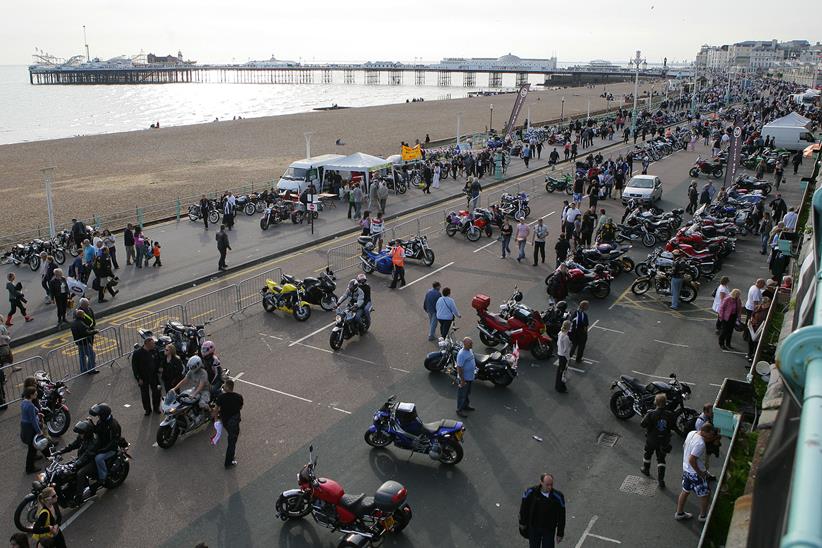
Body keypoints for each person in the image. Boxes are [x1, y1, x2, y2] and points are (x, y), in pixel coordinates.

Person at [675, 423, 718, 522]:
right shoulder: (700, 443)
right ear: (704, 432)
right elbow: (692, 459)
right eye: (710, 435)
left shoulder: (692, 433)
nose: (711, 438)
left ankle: (679, 513)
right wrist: (700, 473)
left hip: (686, 469)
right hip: (695, 473)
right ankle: (703, 517)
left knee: (685, 491)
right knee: (705, 494)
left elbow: (684, 447)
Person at [55, 419, 99, 504]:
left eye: (81, 433)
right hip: (81, 460)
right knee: (63, 468)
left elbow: (86, 456)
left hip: (91, 462)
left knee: (80, 473)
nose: (80, 435)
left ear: (87, 433)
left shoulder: (93, 443)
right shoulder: (82, 438)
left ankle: (79, 496)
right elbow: (72, 445)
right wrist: (60, 451)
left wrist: (75, 464)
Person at [519, 473, 566, 548]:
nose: (550, 487)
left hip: (549, 529)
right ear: (541, 482)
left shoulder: (558, 497)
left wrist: (560, 533)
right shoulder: (531, 492)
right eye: (547, 485)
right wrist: (522, 522)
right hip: (534, 527)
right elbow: (524, 508)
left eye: (551, 484)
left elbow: (562, 516)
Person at [640, 394, 675, 489]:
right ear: (665, 402)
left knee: (648, 454)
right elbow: (672, 426)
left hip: (652, 440)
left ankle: (646, 469)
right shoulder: (670, 414)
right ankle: (661, 480)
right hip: (664, 441)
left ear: (656, 402)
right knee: (661, 459)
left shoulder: (651, 413)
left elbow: (642, 424)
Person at [89, 403, 122, 486]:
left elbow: (113, 442)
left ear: (104, 415)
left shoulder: (113, 425)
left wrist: (101, 450)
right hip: (103, 445)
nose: (98, 417)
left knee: (98, 458)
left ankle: (103, 477)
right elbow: (98, 431)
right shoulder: (101, 421)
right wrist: (91, 424)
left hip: (111, 449)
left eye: (99, 415)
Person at [214, 378, 243, 468]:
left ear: (228, 387)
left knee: (231, 439)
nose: (223, 387)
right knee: (232, 442)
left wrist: (216, 420)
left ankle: (230, 457)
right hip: (234, 422)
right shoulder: (238, 397)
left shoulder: (221, 397)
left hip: (225, 421)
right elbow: (240, 407)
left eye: (224, 385)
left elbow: (216, 409)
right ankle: (228, 462)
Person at [132, 337, 161, 415]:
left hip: (153, 375)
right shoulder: (137, 353)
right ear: (146, 344)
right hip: (143, 377)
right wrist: (138, 378)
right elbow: (135, 367)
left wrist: (159, 368)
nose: (154, 345)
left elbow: (158, 360)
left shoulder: (155, 350)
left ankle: (156, 407)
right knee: (145, 395)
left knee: (156, 393)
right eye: (152, 344)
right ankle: (147, 409)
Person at [20, 386, 42, 474]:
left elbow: (33, 410)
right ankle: (29, 468)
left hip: (25, 426)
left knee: (32, 446)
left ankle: (34, 457)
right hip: (30, 428)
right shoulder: (30, 406)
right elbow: (33, 421)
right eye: (35, 393)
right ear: (31, 395)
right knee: (32, 448)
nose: (36, 394)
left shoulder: (24, 402)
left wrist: (36, 411)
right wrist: (39, 431)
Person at [71, 309, 98, 375]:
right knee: (92, 355)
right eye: (83, 315)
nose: (84, 316)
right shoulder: (81, 324)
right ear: (81, 315)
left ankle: (83, 369)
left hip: (79, 342)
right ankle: (91, 369)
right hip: (84, 342)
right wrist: (95, 331)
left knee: (82, 356)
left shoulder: (74, 323)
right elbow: (86, 333)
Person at [455, 337, 476, 418]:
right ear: (465, 344)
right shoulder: (461, 354)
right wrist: (462, 380)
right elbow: (459, 368)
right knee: (462, 395)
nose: (472, 345)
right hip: (464, 379)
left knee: (467, 393)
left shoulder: (469, 350)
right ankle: (459, 410)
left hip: (470, 377)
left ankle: (465, 406)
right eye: (470, 344)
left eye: (471, 343)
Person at [746, 296, 771, 361]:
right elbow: (752, 315)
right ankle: (750, 353)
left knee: (756, 343)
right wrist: (751, 320)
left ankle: (754, 356)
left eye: (766, 303)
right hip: (753, 327)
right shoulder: (757, 307)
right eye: (763, 303)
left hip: (760, 329)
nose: (765, 304)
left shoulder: (768, 311)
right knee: (750, 341)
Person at [555, 320, 571, 393]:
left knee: (559, 372)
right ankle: (561, 388)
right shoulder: (566, 337)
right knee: (563, 373)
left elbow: (558, 344)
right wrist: (568, 358)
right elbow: (566, 350)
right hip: (564, 357)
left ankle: (557, 386)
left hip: (560, 354)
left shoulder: (560, 333)